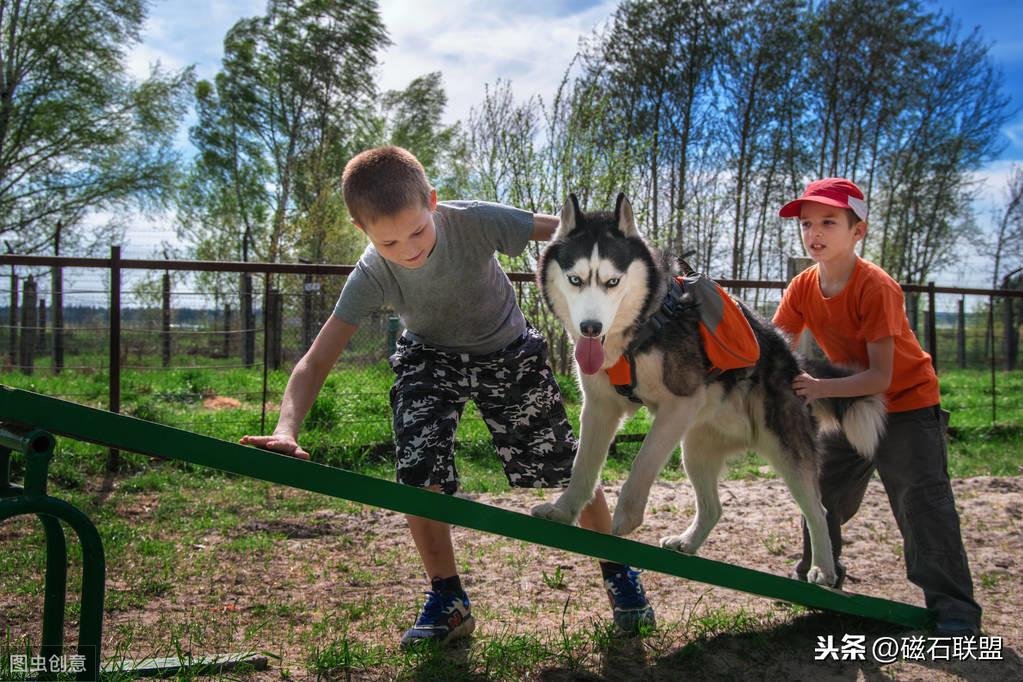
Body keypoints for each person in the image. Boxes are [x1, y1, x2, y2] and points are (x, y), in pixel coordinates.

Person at [240, 146, 655, 648]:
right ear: (363, 231)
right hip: (430, 359)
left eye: (417, 231)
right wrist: (287, 429)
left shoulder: (474, 221)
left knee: (569, 468)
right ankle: (448, 598)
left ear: (433, 202)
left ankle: (618, 572)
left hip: (507, 353)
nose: (408, 248)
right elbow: (316, 359)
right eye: (389, 241)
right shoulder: (372, 272)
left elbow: (566, 233)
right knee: (418, 468)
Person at [772, 177, 982, 637]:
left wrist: (818, 389)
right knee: (820, 491)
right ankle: (821, 579)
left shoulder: (876, 286)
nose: (814, 233)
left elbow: (882, 377)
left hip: (905, 406)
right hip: (849, 407)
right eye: (807, 224)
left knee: (921, 504)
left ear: (858, 231)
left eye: (829, 221)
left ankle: (956, 612)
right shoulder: (803, 286)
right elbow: (775, 347)